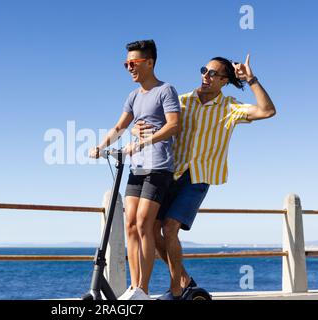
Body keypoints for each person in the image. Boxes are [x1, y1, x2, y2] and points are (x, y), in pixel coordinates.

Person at [132, 55, 276, 300]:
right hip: (169, 172)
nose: (205, 76)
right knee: (153, 229)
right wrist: (137, 128)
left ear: (225, 81)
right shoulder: (181, 101)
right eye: (204, 70)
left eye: (213, 73)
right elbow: (146, 120)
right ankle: (184, 280)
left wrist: (250, 79)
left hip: (198, 177)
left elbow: (268, 111)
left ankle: (176, 290)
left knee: (170, 227)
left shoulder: (230, 107)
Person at [89, 40, 180, 300]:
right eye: (125, 64)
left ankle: (144, 289)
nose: (129, 68)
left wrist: (144, 141)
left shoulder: (165, 90)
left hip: (158, 167)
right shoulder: (132, 97)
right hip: (137, 166)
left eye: (133, 63)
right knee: (129, 224)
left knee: (143, 224)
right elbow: (119, 126)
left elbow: (174, 126)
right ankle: (134, 287)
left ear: (149, 62)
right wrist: (100, 146)